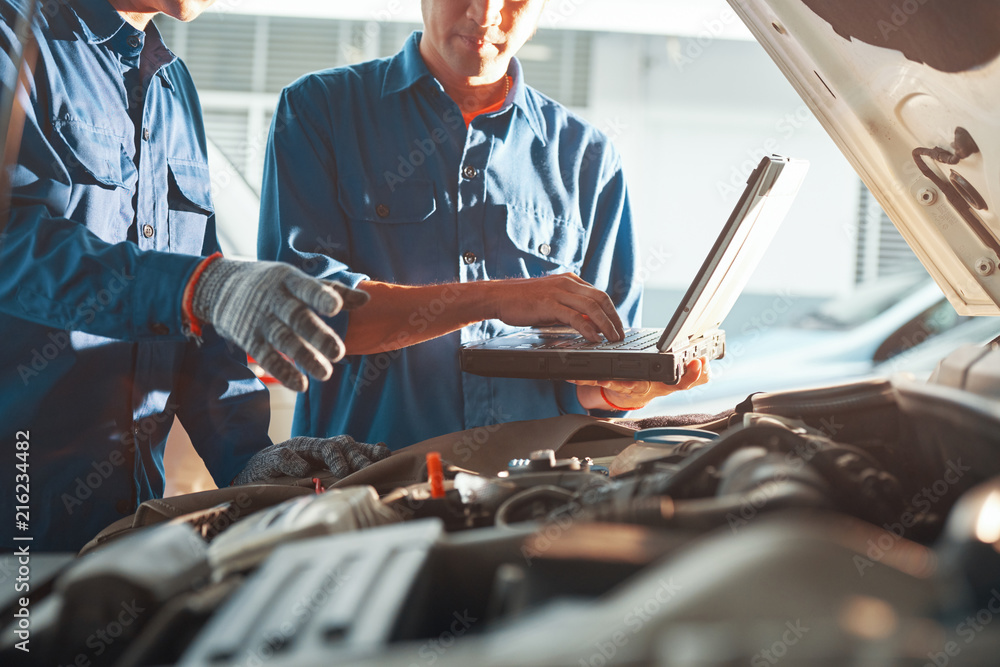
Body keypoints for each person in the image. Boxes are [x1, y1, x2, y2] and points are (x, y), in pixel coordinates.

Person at [0, 0, 388, 552]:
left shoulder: (170, 85)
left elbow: (197, 316)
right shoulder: (12, 40)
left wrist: (248, 457)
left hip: (123, 528)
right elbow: (9, 244)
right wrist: (197, 287)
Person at [259, 0, 708, 450]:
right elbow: (302, 317)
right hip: (364, 485)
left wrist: (628, 386)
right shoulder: (319, 110)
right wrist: (498, 298)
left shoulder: (588, 158)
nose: (486, 13)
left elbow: (589, 384)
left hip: (533, 493)